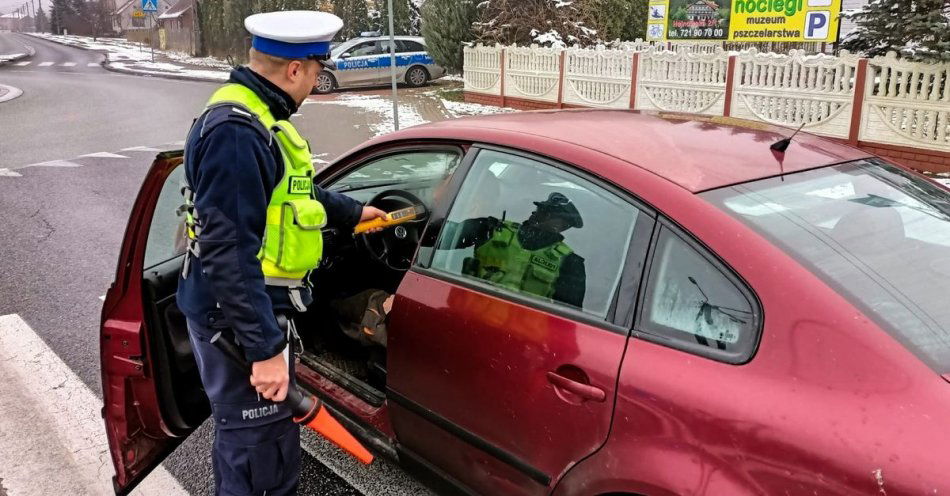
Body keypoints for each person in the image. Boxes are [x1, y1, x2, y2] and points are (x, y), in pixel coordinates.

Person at [176, 11, 386, 495]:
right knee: (257, 451)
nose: (316, 82)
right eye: (317, 71)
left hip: (244, 312)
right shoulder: (237, 133)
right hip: (235, 320)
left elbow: (287, 193)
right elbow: (227, 252)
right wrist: (264, 350)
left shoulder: (255, 115)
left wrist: (354, 214)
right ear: (296, 70)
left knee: (260, 442)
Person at [447, 192, 587, 308]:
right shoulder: (490, 230)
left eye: (548, 214)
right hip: (470, 319)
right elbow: (440, 236)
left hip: (522, 337)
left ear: (562, 226)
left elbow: (568, 321)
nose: (537, 214)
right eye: (541, 210)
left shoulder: (570, 264)